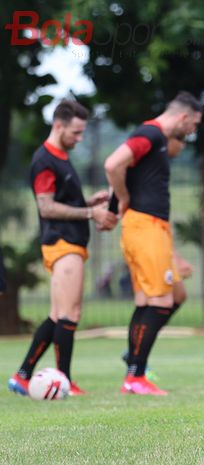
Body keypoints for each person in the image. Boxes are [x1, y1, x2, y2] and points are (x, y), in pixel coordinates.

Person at [8, 100, 117, 396]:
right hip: (62, 242)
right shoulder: (44, 159)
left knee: (58, 314)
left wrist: (86, 203)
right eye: (76, 132)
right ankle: (64, 382)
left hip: (68, 241)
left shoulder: (61, 157)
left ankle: (22, 376)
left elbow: (63, 202)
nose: (79, 138)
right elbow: (46, 207)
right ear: (59, 126)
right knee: (70, 314)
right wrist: (90, 214)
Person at [105, 91, 202, 396]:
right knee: (160, 302)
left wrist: (114, 202)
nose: (193, 131)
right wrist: (120, 199)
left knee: (151, 301)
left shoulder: (155, 139)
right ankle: (135, 374)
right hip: (145, 227)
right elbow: (112, 164)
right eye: (194, 124)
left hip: (148, 227)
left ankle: (134, 367)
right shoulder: (151, 133)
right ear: (183, 117)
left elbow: (128, 173)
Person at [118, 135, 194, 380]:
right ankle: (136, 361)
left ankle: (136, 355)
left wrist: (175, 254)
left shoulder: (159, 166)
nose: (182, 147)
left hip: (157, 235)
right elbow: (116, 173)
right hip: (143, 234)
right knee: (152, 301)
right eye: (180, 140)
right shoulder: (147, 156)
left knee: (178, 295)